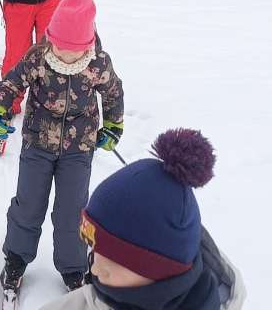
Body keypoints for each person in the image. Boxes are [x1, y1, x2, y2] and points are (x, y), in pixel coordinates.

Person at [0, 0, 124, 300]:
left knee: (72, 210)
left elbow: (113, 94)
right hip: (38, 143)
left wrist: (113, 126)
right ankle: (16, 259)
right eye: (57, 45)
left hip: (79, 149)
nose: (62, 54)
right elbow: (11, 84)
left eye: (71, 51)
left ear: (86, 45)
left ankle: (73, 267)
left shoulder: (98, 64)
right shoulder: (38, 57)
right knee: (29, 204)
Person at [40, 128, 246, 310]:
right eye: (94, 249)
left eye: (113, 259)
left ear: (160, 271)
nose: (94, 268)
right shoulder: (94, 300)